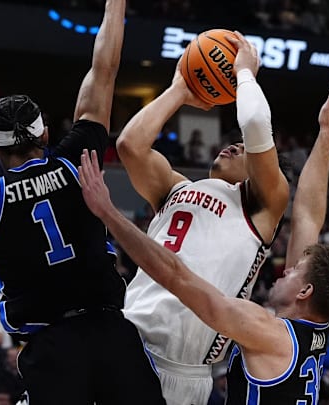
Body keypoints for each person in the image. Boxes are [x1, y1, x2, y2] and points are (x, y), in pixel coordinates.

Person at [0, 0, 164, 403]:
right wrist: (116, 4)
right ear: (44, 135)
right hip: (112, 335)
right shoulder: (77, 159)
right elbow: (104, 71)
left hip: (51, 349)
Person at [79, 78, 329, 404]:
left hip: (179, 365)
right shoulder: (308, 331)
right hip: (128, 334)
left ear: (305, 290)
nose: (284, 268)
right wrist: (326, 134)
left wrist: (109, 214)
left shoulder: (260, 214)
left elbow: (178, 277)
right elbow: (309, 217)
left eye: (294, 271)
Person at [116, 33, 290, 404]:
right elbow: (129, 146)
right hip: (124, 334)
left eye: (243, 149)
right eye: (234, 141)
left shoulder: (261, 207)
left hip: (179, 366)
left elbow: (257, 124)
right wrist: (180, 87)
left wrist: (244, 74)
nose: (234, 144)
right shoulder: (175, 187)